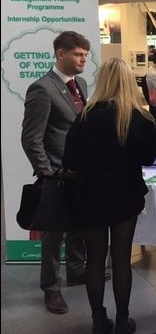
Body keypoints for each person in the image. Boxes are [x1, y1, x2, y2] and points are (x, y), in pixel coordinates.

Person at [62, 57, 156, 333]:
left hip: (89, 197)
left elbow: (70, 159)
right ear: (129, 82)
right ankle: (123, 319)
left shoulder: (85, 117)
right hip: (125, 197)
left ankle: (98, 320)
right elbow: (149, 157)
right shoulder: (139, 118)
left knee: (94, 258)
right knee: (121, 257)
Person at [21, 30, 99, 315]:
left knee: (78, 225)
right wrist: (48, 173)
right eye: (78, 55)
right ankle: (51, 288)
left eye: (85, 55)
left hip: (80, 171)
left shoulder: (79, 84)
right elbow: (31, 138)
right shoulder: (41, 88)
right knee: (54, 235)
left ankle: (76, 271)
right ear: (60, 54)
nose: (83, 60)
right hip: (56, 173)